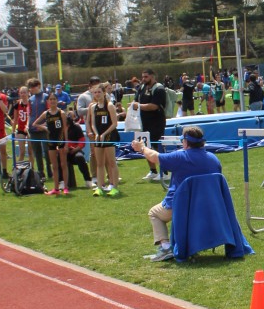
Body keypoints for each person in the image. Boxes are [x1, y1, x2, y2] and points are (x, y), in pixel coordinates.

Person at [135, 124, 225, 259]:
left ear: (186, 142)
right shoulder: (213, 159)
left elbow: (153, 156)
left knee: (154, 213)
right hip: (209, 205)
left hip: (182, 205)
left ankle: (166, 247)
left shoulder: (180, 157)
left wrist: (142, 148)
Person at [33, 91, 69, 195]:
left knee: (63, 164)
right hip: (51, 141)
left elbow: (65, 128)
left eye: (54, 99)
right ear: (48, 101)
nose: (52, 101)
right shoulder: (46, 113)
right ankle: (56, 188)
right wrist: (44, 127)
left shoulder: (61, 113)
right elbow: (35, 124)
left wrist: (66, 143)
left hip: (61, 140)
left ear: (57, 101)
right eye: (51, 99)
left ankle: (65, 187)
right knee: (54, 166)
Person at [136, 69, 168, 181]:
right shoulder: (141, 87)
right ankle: (153, 171)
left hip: (156, 122)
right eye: (142, 77)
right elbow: (136, 101)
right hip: (142, 123)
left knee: (157, 147)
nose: (143, 79)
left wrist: (138, 106)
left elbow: (154, 106)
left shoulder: (159, 89)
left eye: (146, 77)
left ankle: (165, 172)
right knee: (144, 146)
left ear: (152, 76)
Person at [88, 82, 120, 195]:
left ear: (104, 92)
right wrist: (97, 134)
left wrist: (104, 134)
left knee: (111, 162)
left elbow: (115, 123)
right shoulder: (93, 107)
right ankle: (100, 187)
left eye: (99, 92)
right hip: (99, 137)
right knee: (99, 163)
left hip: (109, 136)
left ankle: (114, 187)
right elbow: (93, 124)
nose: (97, 94)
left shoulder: (109, 105)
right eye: (95, 92)